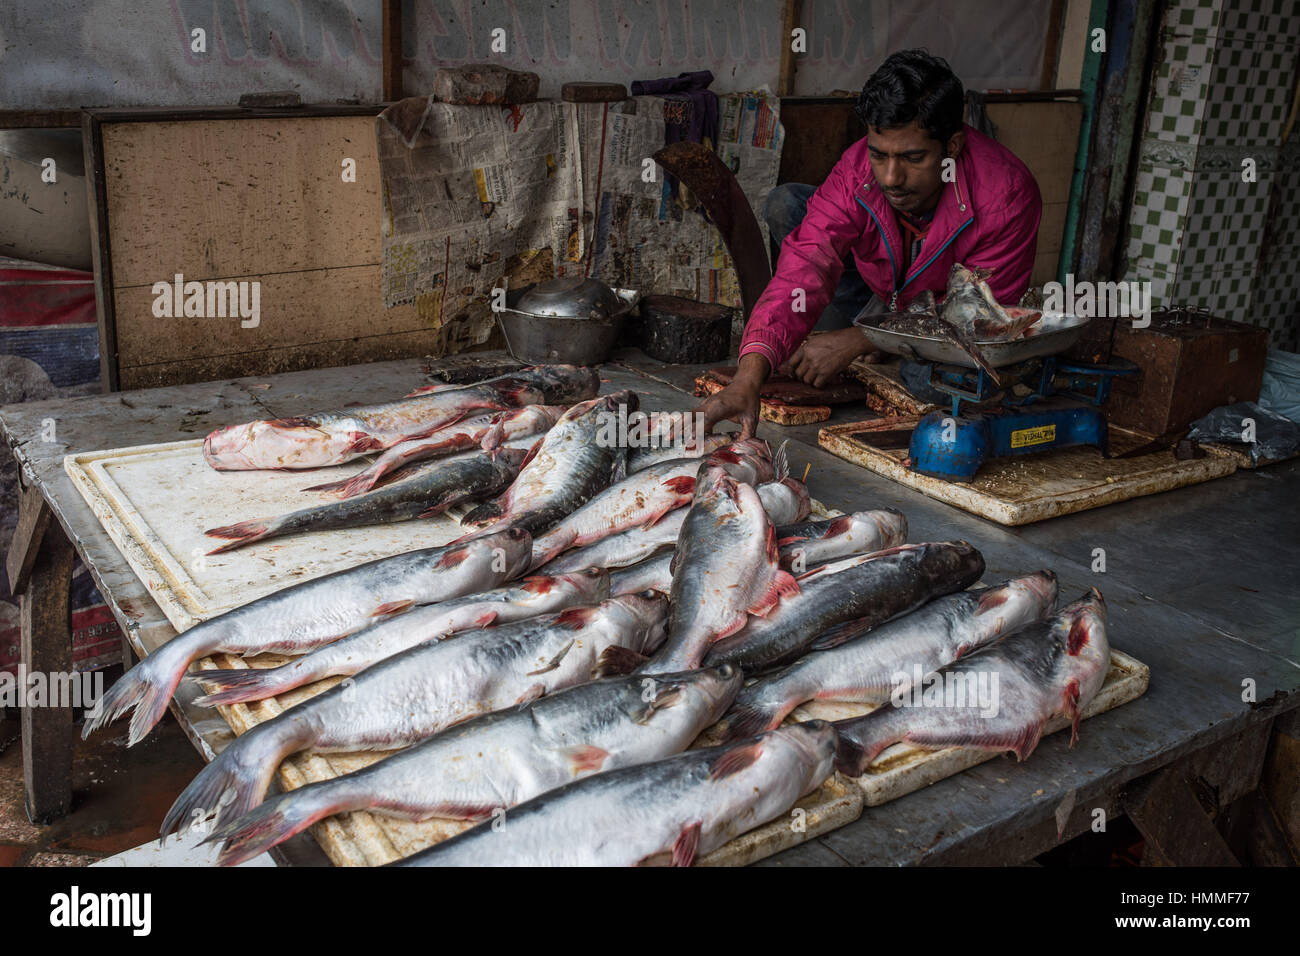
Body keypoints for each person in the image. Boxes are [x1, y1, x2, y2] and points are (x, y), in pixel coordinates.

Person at [696, 49, 1042, 437]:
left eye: (913, 158)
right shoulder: (858, 167)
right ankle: (857, 335)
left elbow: (977, 319)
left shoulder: (1007, 195)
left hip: (944, 309)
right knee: (789, 205)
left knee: (928, 379)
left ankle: (871, 340)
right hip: (879, 287)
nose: (891, 177)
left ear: (953, 147)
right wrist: (747, 377)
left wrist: (860, 338)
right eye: (880, 155)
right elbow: (807, 264)